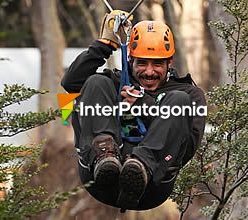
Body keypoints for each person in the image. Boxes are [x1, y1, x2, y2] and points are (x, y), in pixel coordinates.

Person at [61, 10, 206, 211]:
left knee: (180, 101)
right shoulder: (117, 82)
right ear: (130, 60)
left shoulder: (189, 93)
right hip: (98, 177)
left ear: (170, 62)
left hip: (152, 186)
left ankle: (140, 166)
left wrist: (142, 104)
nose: (149, 71)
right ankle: (105, 155)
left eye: (157, 64)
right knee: (95, 82)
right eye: (142, 63)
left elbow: (187, 148)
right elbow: (71, 83)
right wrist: (104, 44)